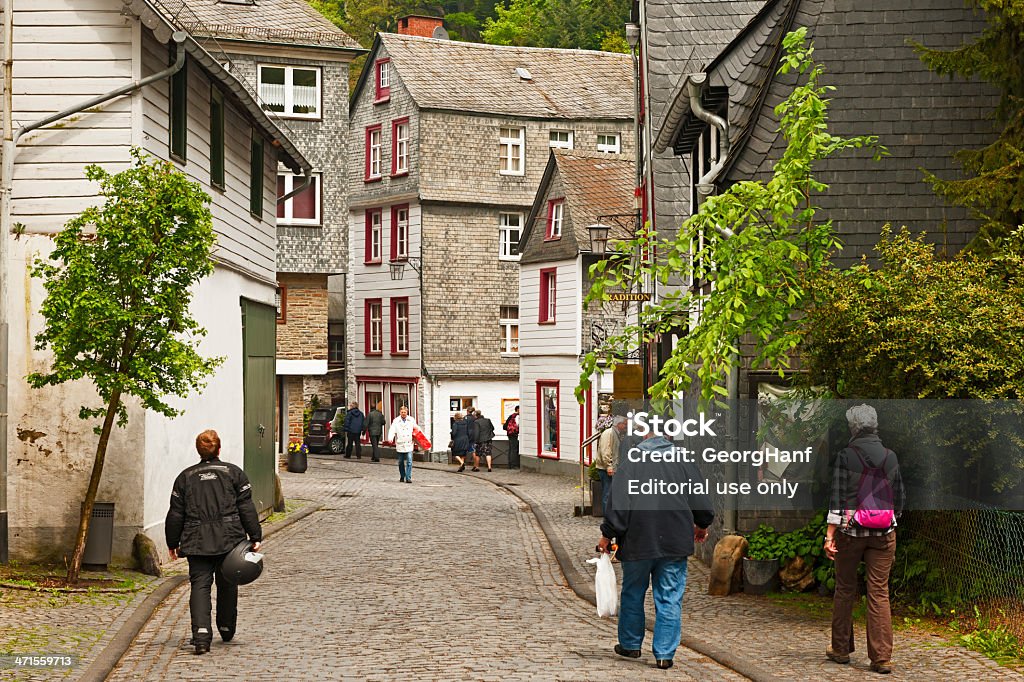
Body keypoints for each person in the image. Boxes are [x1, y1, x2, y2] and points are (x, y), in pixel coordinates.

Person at [597, 433, 713, 670]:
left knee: (633, 591)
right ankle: (664, 654)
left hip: (638, 539)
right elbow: (699, 497)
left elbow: (619, 502)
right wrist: (702, 524)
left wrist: (608, 534)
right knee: (669, 596)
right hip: (674, 541)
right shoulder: (682, 459)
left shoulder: (632, 460)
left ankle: (630, 645)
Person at [165, 430, 262, 655]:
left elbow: (176, 514)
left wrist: (172, 542)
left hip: (197, 542)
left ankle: (200, 636)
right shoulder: (234, 473)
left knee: (200, 586)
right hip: (229, 540)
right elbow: (246, 508)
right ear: (219, 449)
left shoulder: (185, 478)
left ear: (198, 451)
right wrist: (255, 536)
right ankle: (226, 628)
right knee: (228, 582)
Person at [825, 404, 904, 675]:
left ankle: (840, 649)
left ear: (854, 428)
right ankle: (881, 658)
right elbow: (901, 499)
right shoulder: (890, 456)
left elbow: (837, 499)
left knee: (845, 589)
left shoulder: (846, 456)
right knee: (879, 592)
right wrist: (883, 519)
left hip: (850, 533)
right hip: (884, 534)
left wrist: (829, 536)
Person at [593, 416, 626, 514]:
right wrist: (609, 466)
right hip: (606, 469)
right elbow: (606, 450)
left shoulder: (616, 433)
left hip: (611, 468)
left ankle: (610, 516)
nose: (626, 426)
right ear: (618, 424)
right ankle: (607, 517)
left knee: (610, 493)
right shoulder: (609, 433)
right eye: (624, 423)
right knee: (607, 494)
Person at [387, 405, 419, 483]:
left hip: (409, 443)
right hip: (400, 443)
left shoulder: (411, 420)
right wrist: (390, 438)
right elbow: (392, 430)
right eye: (402, 412)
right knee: (400, 462)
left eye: (405, 412)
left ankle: (408, 477)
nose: (403, 413)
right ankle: (402, 475)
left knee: (409, 461)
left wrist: (420, 438)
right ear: (400, 412)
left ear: (407, 412)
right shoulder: (396, 421)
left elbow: (416, 428)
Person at [471, 408, 495, 473]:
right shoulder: (487, 420)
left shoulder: (476, 422)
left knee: (478, 454)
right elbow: (492, 428)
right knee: (488, 453)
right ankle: (489, 467)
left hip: (480, 440)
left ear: (476, 415)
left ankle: (477, 467)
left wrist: (475, 441)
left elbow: (477, 432)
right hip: (488, 439)